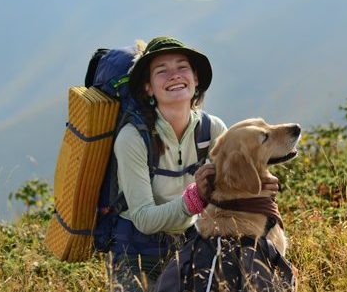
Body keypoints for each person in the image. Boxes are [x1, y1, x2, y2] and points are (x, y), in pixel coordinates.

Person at [108, 36, 277, 291]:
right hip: (136, 253)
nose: (174, 75)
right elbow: (142, 218)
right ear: (148, 87)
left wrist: (259, 184)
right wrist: (194, 200)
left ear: (195, 79)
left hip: (191, 243)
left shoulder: (212, 130)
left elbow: (231, 184)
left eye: (182, 67)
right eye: (161, 71)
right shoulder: (132, 138)